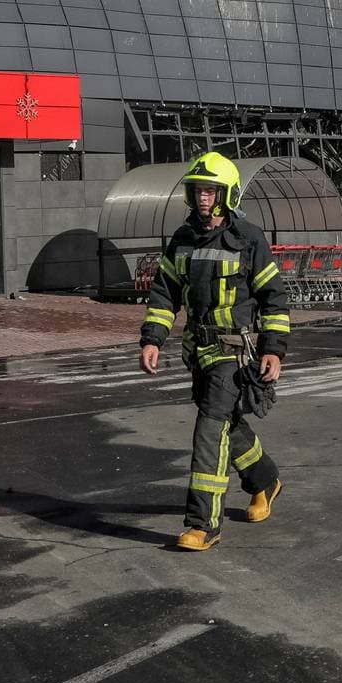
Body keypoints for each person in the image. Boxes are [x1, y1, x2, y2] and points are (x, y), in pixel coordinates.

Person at [139, 151, 290, 552]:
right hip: (199, 352)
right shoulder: (182, 240)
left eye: (211, 191)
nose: (203, 197)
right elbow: (165, 293)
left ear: (227, 194)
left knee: (209, 429)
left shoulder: (249, 238)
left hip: (234, 353)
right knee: (226, 424)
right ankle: (265, 481)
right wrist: (153, 338)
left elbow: (274, 298)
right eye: (198, 190)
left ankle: (203, 523)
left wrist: (273, 350)